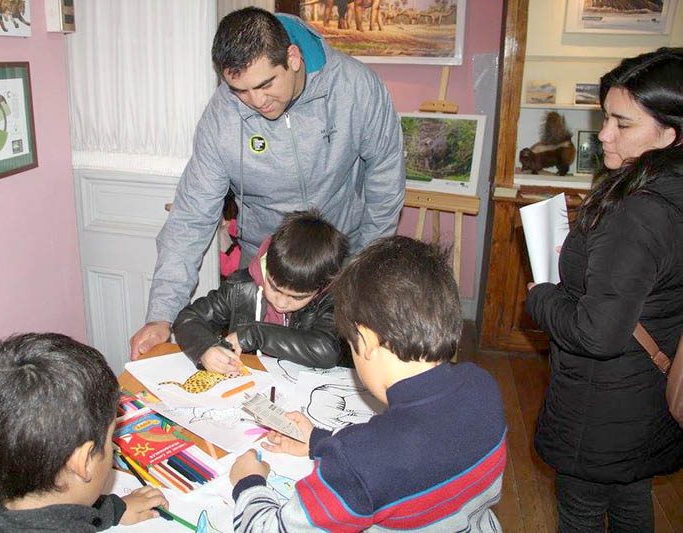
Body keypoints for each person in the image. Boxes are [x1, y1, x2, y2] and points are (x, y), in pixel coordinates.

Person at [129, 7, 404, 359]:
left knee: (333, 372)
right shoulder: (222, 117)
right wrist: (161, 315)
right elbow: (191, 217)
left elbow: (384, 188)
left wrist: (356, 269)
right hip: (261, 273)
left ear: (292, 58)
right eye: (240, 90)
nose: (256, 102)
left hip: (339, 264)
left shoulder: (355, 88)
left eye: (265, 84)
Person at [228, 236, 507, 531]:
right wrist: (318, 440)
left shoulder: (359, 461)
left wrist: (248, 482)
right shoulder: (483, 386)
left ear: (367, 341)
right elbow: (426, 449)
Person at [526, 47, 683, 531]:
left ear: (671, 133)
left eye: (623, 124)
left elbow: (598, 333)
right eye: (605, 118)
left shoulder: (638, 211)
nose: (603, 134)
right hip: (647, 388)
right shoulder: (667, 189)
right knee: (631, 493)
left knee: (583, 509)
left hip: (604, 405)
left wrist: (542, 294)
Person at [0, 333, 169, 532]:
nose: (112, 446)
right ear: (82, 462)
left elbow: (55, 514)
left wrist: (111, 510)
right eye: (110, 438)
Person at [174, 210, 349, 372]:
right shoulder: (241, 287)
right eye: (274, 287)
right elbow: (188, 318)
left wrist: (255, 334)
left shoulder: (330, 299)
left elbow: (326, 351)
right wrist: (205, 349)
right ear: (266, 267)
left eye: (297, 297)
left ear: (323, 286)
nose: (281, 303)